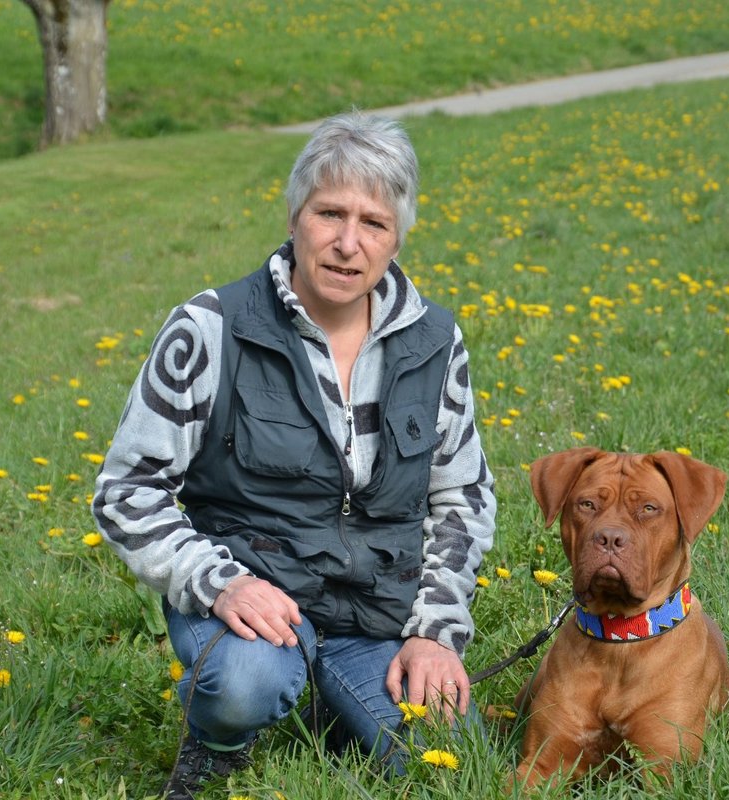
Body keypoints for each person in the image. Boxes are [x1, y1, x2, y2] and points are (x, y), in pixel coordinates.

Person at [92, 111, 496, 799]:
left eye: (372, 222)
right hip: (256, 603)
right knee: (245, 682)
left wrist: (433, 631)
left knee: (452, 769)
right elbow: (127, 490)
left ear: (398, 236)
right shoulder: (212, 328)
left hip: (376, 614)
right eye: (328, 213)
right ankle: (217, 741)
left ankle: (332, 705)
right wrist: (220, 583)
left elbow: (461, 499)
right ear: (294, 216)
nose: (347, 243)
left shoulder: (435, 342)